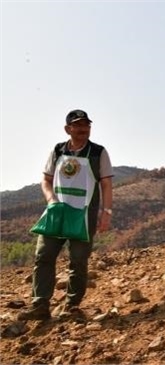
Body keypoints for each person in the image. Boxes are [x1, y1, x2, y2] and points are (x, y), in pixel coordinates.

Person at [18, 109, 113, 321]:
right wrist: (51, 200)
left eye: (86, 125)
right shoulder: (57, 151)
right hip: (57, 212)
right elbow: (46, 180)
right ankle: (40, 305)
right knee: (44, 256)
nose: (83, 129)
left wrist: (106, 212)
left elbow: (106, 184)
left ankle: (71, 306)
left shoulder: (98, 152)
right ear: (67, 129)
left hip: (83, 215)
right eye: (78, 126)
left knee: (78, 260)